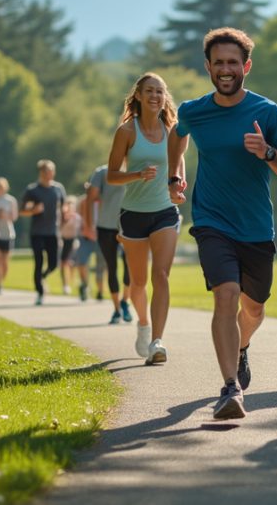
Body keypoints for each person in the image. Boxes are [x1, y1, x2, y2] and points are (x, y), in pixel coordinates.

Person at [168, 27, 277, 420]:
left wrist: (268, 151)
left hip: (256, 227)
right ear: (208, 67)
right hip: (212, 220)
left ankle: (241, 347)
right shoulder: (194, 110)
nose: (225, 69)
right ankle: (230, 388)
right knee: (225, 293)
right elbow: (178, 137)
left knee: (254, 308)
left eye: (232, 62)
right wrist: (175, 173)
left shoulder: (267, 112)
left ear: (246, 66)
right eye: (218, 62)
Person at [108, 72, 181, 365]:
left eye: (160, 92)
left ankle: (157, 341)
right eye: (149, 91)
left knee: (160, 275)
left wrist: (177, 185)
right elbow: (112, 175)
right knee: (138, 282)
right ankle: (142, 323)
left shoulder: (171, 129)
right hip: (133, 214)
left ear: (165, 98)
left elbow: (178, 163)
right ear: (138, 95)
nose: (155, 96)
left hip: (164, 211)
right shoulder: (127, 131)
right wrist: (137, 175)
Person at [86, 164, 132, 324]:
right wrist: (89, 224)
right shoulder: (101, 172)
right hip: (105, 227)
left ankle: (125, 301)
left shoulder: (135, 169)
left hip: (129, 227)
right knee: (111, 267)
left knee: (130, 266)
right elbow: (90, 198)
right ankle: (117, 309)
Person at [21, 159, 66, 306]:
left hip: (53, 232)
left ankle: (42, 277)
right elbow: (22, 210)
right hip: (37, 232)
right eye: (46, 171)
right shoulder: (32, 190)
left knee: (54, 264)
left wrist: (66, 217)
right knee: (39, 261)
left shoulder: (58, 189)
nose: (49, 174)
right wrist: (33, 210)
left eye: (51, 170)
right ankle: (40, 292)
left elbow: (63, 208)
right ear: (41, 172)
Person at [0, 176, 18, 296]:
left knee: (5, 261)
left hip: (8, 233)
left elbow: (14, 217)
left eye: (1, 187)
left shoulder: (10, 200)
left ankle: (2, 281)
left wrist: (5, 215)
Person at [59, 197, 81, 295]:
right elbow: (59, 228)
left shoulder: (77, 217)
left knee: (72, 263)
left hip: (73, 241)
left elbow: (78, 229)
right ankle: (65, 284)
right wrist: (65, 218)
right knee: (63, 263)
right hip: (63, 241)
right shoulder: (61, 217)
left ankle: (72, 281)